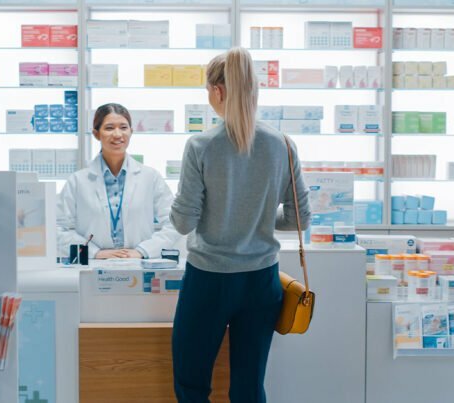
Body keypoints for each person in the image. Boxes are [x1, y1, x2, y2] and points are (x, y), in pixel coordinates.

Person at [170, 47, 311, 403]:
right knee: (249, 388)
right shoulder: (283, 144)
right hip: (262, 281)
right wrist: (258, 220)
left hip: (209, 280)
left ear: (218, 91)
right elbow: (299, 219)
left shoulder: (201, 145)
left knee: (192, 383)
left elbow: (184, 222)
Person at [57, 103, 181, 260]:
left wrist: (143, 251)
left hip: (138, 264)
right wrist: (94, 252)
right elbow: (57, 228)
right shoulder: (78, 181)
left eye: (123, 127)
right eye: (109, 128)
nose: (117, 134)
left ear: (131, 132)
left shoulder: (150, 177)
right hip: (94, 264)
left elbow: (174, 223)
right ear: (96, 134)